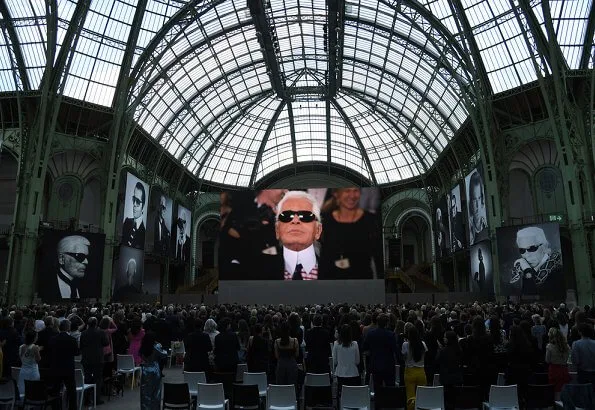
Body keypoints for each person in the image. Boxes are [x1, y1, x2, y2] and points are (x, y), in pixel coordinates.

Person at [319, 187, 380, 279]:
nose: (352, 195)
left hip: (362, 282)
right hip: (330, 281)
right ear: (336, 193)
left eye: (356, 191)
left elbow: (378, 257)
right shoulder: (325, 220)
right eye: (347, 191)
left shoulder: (371, 220)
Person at [275, 191, 323, 280]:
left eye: (305, 216)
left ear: (318, 230)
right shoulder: (256, 270)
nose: (295, 220)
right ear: (277, 230)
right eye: (286, 216)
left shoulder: (340, 273)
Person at [509, 226, 563, 299]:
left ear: (544, 247)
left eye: (532, 248)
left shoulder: (558, 272)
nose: (527, 255)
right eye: (522, 250)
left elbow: (531, 290)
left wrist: (527, 269)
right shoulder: (524, 270)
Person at [362, 314, 399, 391]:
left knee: (377, 389)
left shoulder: (371, 334)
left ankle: (379, 402)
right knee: (390, 389)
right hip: (388, 365)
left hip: (375, 365)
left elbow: (364, 347)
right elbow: (396, 350)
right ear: (387, 323)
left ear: (377, 323)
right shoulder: (391, 335)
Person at [49, 320, 79, 410]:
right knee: (71, 390)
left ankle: (56, 407)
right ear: (68, 328)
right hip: (68, 368)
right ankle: (72, 408)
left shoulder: (53, 339)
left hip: (56, 367)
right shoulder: (72, 340)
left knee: (56, 390)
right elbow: (76, 352)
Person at [80, 317, 109, 405]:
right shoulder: (101, 332)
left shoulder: (83, 333)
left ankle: (87, 399)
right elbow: (106, 343)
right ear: (96, 323)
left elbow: (81, 345)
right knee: (98, 379)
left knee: (87, 378)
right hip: (98, 358)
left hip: (87, 358)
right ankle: (97, 398)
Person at [51, 235, 90, 300]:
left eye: (87, 257)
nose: (86, 262)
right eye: (80, 256)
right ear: (61, 258)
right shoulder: (47, 284)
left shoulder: (88, 286)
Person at [139, 332, 168, 410]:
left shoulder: (142, 347)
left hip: (145, 369)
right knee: (156, 391)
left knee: (145, 391)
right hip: (155, 369)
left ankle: (145, 407)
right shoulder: (155, 347)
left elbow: (140, 355)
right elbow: (163, 354)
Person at [435, 331, 463, 410]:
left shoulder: (442, 351)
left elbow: (436, 362)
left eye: (445, 337)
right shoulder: (459, 350)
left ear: (448, 339)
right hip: (457, 378)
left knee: (447, 402)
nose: (443, 338)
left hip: (446, 379)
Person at [402, 325, 427, 410]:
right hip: (421, 371)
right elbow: (425, 355)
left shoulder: (405, 344)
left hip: (410, 371)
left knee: (410, 397)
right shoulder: (422, 344)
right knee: (422, 395)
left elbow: (404, 357)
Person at [332, 324, 360, 397]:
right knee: (353, 394)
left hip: (340, 373)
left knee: (341, 393)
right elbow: (357, 361)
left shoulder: (336, 344)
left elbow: (335, 361)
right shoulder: (355, 344)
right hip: (353, 373)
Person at [545, 327, 570, 400]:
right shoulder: (567, 346)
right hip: (564, 369)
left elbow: (547, 360)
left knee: (555, 390)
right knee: (564, 389)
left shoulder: (549, 346)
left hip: (554, 370)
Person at [122, 181, 147, 249]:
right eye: (134, 199)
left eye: (138, 201)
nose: (134, 204)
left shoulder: (144, 231)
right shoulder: (127, 222)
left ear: (143, 207)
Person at [467, 170, 488, 245]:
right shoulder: (470, 226)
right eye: (473, 199)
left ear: (482, 199)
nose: (476, 205)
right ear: (470, 201)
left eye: (478, 199)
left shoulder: (487, 222)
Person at [274, 322, 299, 386]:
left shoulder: (277, 342)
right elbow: (297, 354)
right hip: (292, 364)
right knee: (292, 385)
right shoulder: (294, 341)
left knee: (281, 385)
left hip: (281, 364)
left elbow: (276, 356)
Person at [17, 330, 40, 397]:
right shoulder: (35, 347)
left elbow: (21, 357)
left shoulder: (21, 347)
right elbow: (38, 360)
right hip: (33, 371)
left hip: (23, 370)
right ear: (34, 338)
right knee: (33, 391)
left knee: (22, 390)